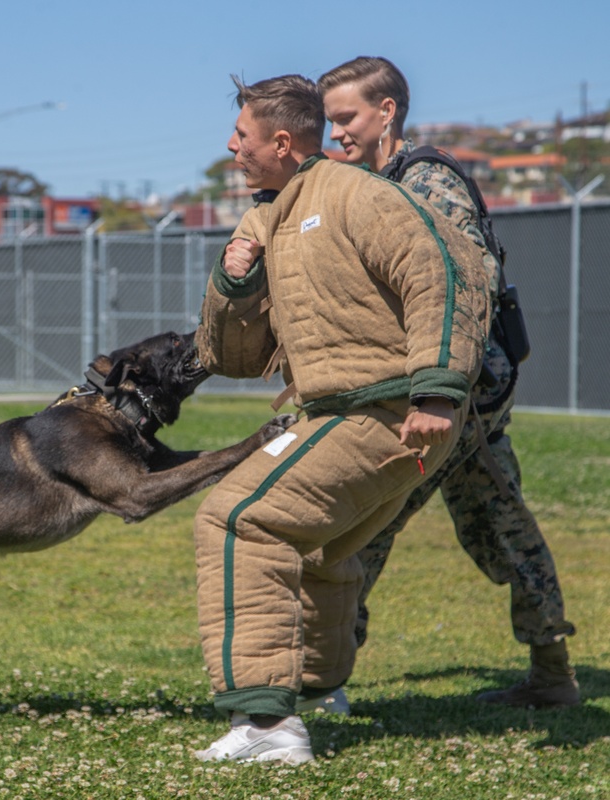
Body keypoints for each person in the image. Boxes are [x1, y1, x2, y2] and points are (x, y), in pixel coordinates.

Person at [191, 73, 491, 764]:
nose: (230, 146)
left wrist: (437, 393)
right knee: (320, 551)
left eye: (242, 135)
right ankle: (317, 690)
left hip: (387, 411)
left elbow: (441, 273)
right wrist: (235, 283)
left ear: (283, 141)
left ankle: (267, 728)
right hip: (344, 412)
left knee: (240, 518)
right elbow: (234, 356)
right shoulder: (269, 218)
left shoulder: (358, 195)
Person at [317, 56, 578, 709]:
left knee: (371, 515)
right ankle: (552, 672)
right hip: (434, 384)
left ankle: (327, 668)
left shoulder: (427, 182)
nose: (336, 133)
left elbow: (461, 283)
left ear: (387, 112)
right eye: (330, 121)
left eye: (346, 118)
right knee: (491, 513)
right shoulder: (376, 184)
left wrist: (440, 389)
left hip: (459, 389)